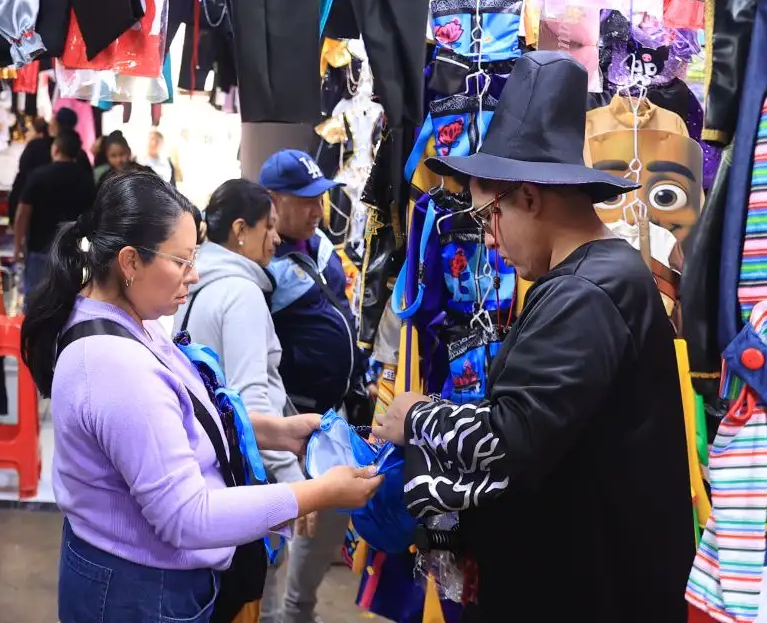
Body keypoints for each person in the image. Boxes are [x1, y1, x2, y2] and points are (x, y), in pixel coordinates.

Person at [373, 52, 694, 623]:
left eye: (488, 216)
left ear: (528, 196)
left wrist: (417, 416)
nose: (490, 240)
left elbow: (511, 436)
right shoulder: (588, 281)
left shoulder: (586, 293)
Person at [22, 169, 385, 623]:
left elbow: (174, 422)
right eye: (181, 260)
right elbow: (187, 516)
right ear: (130, 262)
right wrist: (315, 493)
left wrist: (279, 431)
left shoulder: (133, 321)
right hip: (138, 594)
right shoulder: (114, 365)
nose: (193, 275)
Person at [258, 149, 365, 623]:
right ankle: (271, 613)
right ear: (272, 202)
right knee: (288, 519)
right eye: (305, 201)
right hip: (291, 416)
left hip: (334, 410)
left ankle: (297, 610)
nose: (318, 210)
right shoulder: (260, 264)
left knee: (329, 515)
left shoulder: (319, 245)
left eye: (320, 198)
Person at [175, 179, 298, 495]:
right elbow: (253, 400)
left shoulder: (192, 284)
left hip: (205, 458)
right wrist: (292, 480)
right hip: (244, 472)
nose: (276, 238)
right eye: (268, 227)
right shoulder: (241, 293)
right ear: (241, 230)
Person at [14, 130, 96, 294]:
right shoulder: (86, 180)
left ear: (56, 149)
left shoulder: (38, 176)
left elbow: (23, 213)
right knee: (68, 302)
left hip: (40, 250)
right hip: (73, 253)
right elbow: (92, 219)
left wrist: (18, 245)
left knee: (36, 303)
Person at [12, 114, 53, 205]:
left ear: (40, 134)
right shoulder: (51, 148)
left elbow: (22, 167)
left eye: (30, 131)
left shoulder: (33, 148)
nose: (26, 134)